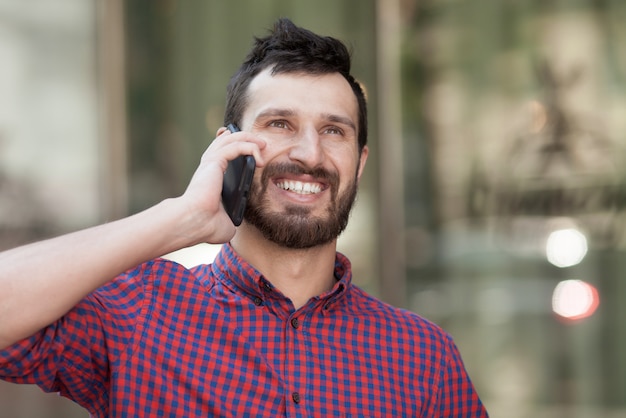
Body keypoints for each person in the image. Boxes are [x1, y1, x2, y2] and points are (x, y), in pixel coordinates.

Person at [0, 18, 488, 417]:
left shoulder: (424, 358)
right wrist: (180, 218)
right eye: (280, 124)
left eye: (333, 131)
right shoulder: (135, 313)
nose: (309, 154)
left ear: (359, 163)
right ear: (228, 148)